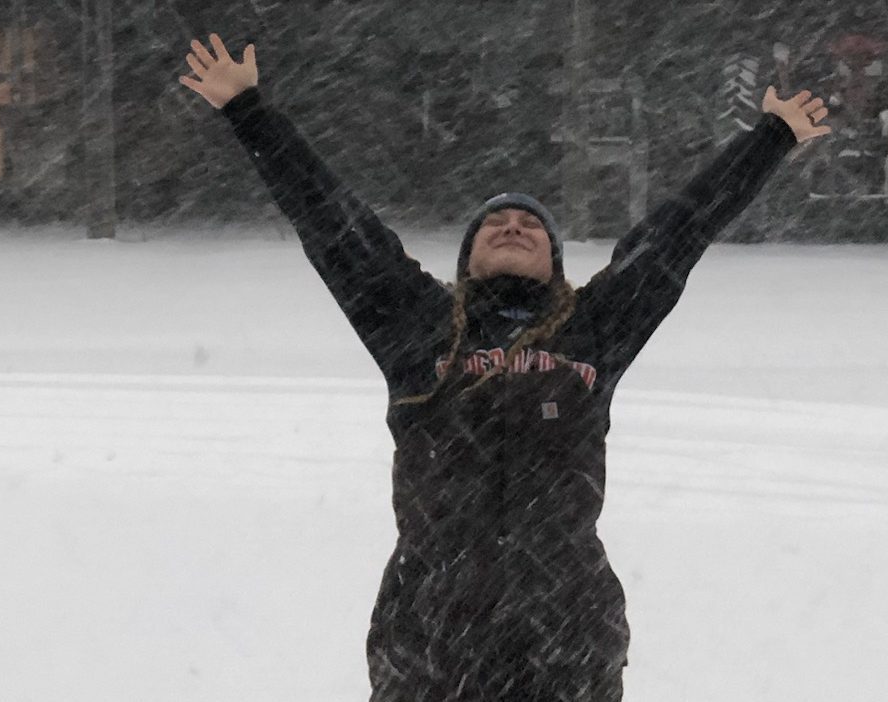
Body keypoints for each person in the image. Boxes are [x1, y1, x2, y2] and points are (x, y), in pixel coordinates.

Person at [180, 33, 830, 702]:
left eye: (531, 224)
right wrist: (247, 110)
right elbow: (332, 222)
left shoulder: (594, 327)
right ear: (468, 260)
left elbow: (676, 232)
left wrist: (771, 137)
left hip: (568, 643)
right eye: (495, 224)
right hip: (430, 647)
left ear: (555, 261)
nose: (513, 226)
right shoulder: (418, 325)